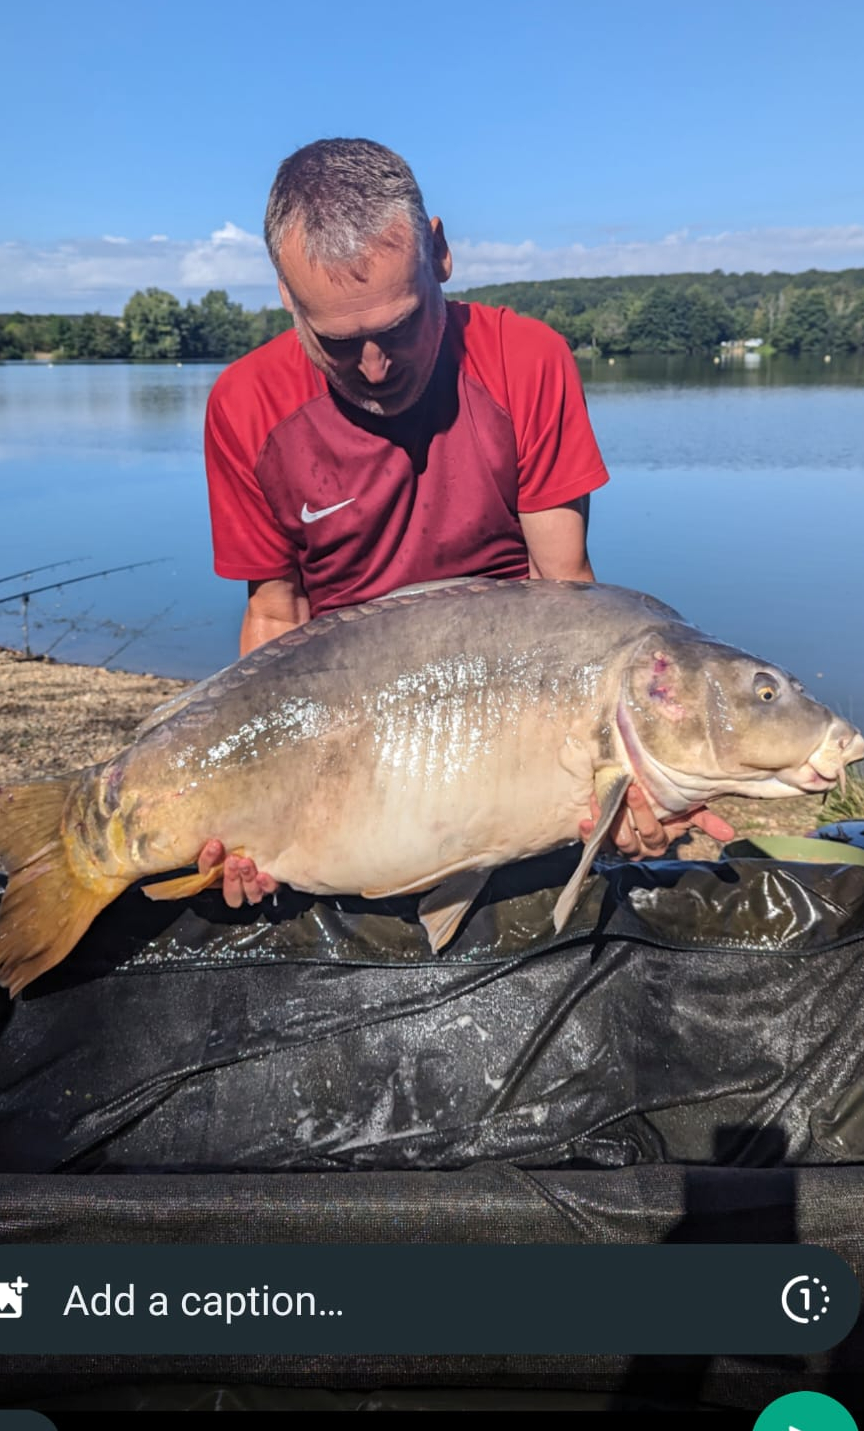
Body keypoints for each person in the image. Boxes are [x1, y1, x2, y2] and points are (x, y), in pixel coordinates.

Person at [199, 138, 732, 908]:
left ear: (439, 254)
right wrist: (250, 804)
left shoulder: (527, 360)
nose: (376, 366)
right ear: (286, 293)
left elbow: (567, 596)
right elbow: (276, 617)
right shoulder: (246, 404)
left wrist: (631, 780)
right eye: (338, 343)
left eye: (401, 326)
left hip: (507, 720)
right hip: (348, 739)